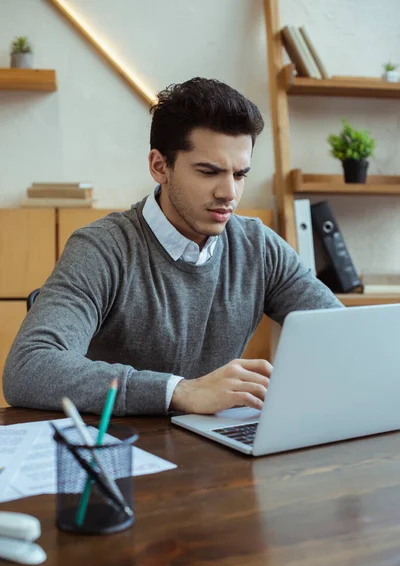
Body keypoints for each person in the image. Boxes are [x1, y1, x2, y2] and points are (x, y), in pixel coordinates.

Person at [3, 77, 343, 416]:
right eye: (209, 172)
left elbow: (346, 337)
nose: (229, 193)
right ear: (159, 166)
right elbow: (29, 367)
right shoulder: (102, 248)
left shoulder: (258, 247)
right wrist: (178, 391)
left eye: (239, 175)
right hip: (119, 450)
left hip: (217, 450)